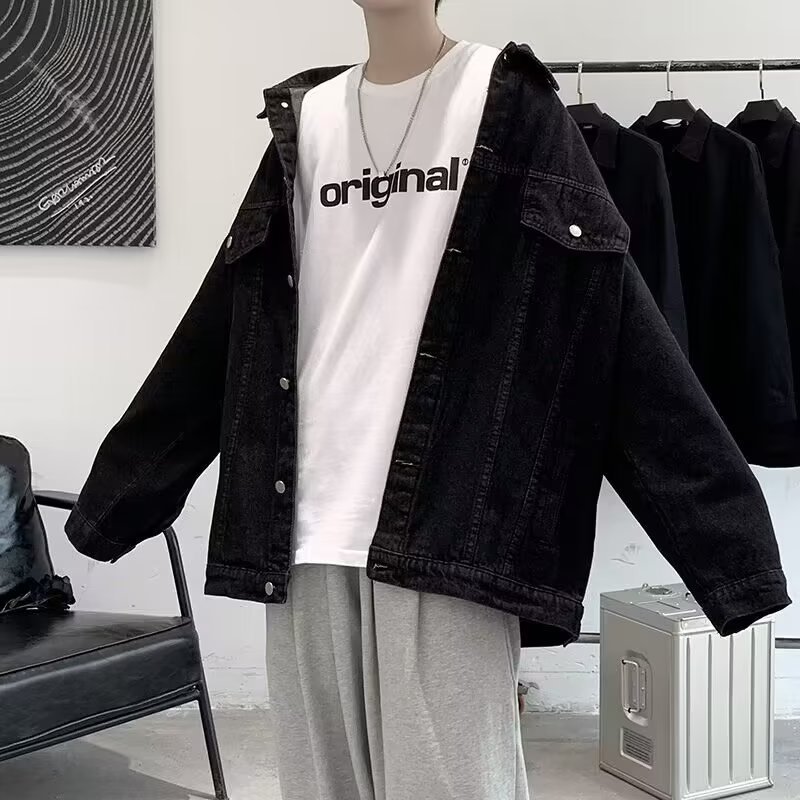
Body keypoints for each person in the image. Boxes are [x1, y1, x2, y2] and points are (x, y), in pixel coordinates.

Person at [65, 1, 791, 799]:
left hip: (450, 528)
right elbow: (223, 326)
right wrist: (119, 500)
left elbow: (612, 322)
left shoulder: (511, 105)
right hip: (300, 531)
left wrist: (729, 551)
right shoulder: (307, 122)